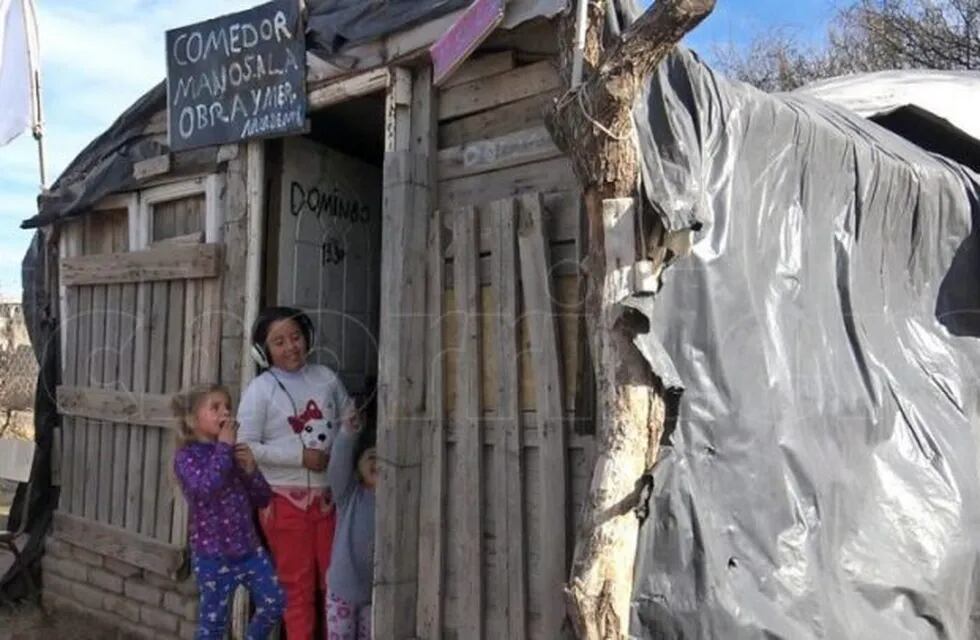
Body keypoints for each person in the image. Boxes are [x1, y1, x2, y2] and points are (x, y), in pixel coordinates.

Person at [238, 306, 355, 639]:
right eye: (279, 342)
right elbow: (244, 448)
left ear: (308, 338)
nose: (291, 347)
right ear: (263, 352)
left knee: (336, 585)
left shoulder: (326, 378)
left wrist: (351, 430)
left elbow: (348, 418)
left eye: (295, 337)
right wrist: (300, 457)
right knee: (297, 588)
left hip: (329, 502)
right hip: (284, 505)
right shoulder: (261, 390)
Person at [171, 384, 284, 640]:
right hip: (213, 557)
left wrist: (251, 470)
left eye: (228, 407)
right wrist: (223, 448)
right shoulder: (186, 457)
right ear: (192, 419)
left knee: (274, 602)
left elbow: (263, 498)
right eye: (215, 408)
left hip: (249, 551)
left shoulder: (232, 453)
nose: (225, 413)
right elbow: (205, 489)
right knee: (213, 626)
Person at [325, 401, 377, 640]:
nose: (378, 463)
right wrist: (347, 433)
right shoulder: (349, 495)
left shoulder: (396, 503)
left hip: (374, 595)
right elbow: (337, 468)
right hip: (342, 591)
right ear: (357, 467)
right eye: (372, 456)